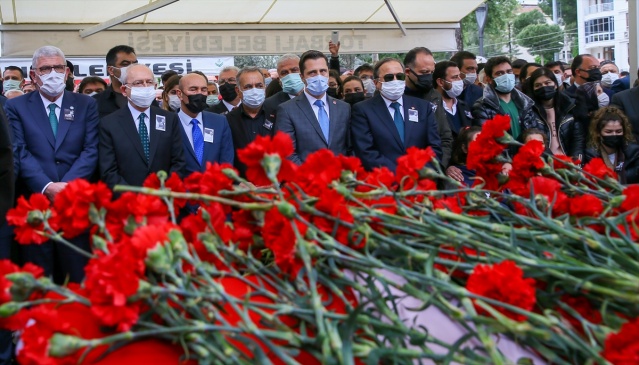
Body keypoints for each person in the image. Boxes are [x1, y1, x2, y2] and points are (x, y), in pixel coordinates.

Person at [7, 45, 99, 283]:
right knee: (40, 279)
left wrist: (67, 186)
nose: (54, 73)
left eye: (59, 67)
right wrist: (47, 186)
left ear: (68, 72)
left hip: (74, 204)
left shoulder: (85, 104)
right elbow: (19, 151)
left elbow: (91, 150)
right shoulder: (15, 107)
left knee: (77, 277)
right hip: (35, 205)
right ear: (33, 75)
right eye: (46, 68)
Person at [99, 64, 185, 189]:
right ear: (124, 90)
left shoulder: (170, 119)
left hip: (163, 199)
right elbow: (108, 171)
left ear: (155, 86)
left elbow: (178, 162)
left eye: (149, 82)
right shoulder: (109, 124)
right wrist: (135, 199)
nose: (145, 87)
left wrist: (163, 193)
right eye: (138, 83)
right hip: (128, 202)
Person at [351, 57, 442, 171]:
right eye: (389, 77)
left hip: (419, 180)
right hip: (385, 181)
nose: (395, 81)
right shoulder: (363, 110)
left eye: (400, 76)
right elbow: (366, 152)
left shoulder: (423, 107)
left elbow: (434, 147)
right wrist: (399, 176)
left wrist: (420, 173)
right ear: (376, 83)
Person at [276, 49, 351, 164]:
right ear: (302, 77)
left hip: (340, 179)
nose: (319, 76)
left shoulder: (343, 108)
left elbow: (350, 147)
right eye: (312, 72)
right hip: (307, 179)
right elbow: (287, 154)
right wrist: (312, 179)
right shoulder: (287, 110)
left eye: (323, 71)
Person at [403, 47, 453, 166]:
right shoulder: (396, 97)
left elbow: (445, 137)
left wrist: (438, 166)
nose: (429, 77)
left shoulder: (434, 95)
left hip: (432, 167)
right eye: (424, 72)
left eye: (431, 72)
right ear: (408, 72)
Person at [176, 73, 233, 178]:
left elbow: (226, 163)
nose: (199, 94)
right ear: (179, 94)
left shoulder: (219, 122)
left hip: (213, 191)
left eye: (203, 90)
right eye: (193, 89)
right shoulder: (170, 124)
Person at [472, 56, 541, 140]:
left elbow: (535, 133)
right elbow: (485, 140)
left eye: (509, 72)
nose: (506, 76)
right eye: (499, 73)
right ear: (489, 79)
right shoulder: (483, 106)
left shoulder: (525, 103)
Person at [525, 67, 585, 160]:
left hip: (568, 162)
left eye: (547, 83)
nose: (544, 87)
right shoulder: (530, 111)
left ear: (555, 85)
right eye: (538, 85)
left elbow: (578, 140)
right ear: (533, 89)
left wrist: (576, 163)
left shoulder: (570, 106)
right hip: (544, 162)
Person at [227, 67, 275, 178]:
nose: (254, 91)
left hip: (273, 187)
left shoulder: (278, 115)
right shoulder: (228, 120)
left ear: (265, 88)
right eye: (248, 87)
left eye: (259, 86)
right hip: (243, 188)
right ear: (238, 91)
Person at [583, 106, 639, 184]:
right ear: (598, 133)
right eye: (608, 132)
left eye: (618, 131)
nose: (614, 135)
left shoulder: (633, 152)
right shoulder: (591, 154)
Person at [94, 45, 149, 119]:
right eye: (125, 64)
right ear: (111, 70)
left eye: (135, 64)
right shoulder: (96, 102)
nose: (132, 68)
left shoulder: (146, 97)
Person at [433, 61, 472, 141]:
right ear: (440, 82)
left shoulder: (464, 106)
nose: (459, 81)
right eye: (454, 77)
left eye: (460, 76)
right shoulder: (430, 107)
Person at [263, 54, 304, 121]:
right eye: (284, 73)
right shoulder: (269, 104)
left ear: (303, 73)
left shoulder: (316, 97)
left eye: (294, 70)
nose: (290, 75)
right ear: (279, 80)